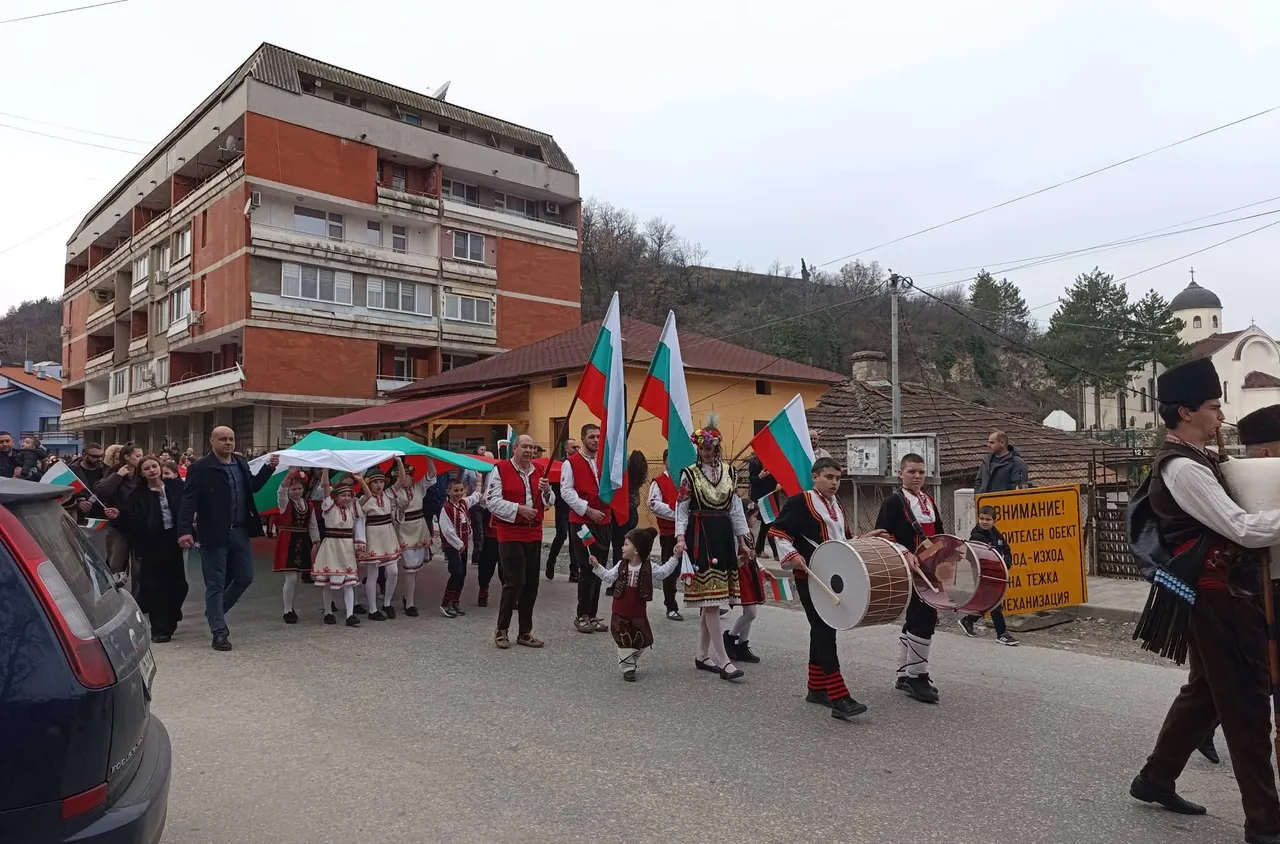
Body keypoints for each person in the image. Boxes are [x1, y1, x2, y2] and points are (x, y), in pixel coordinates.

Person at [1127, 362, 1280, 844]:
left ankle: (1155, 778)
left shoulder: (1200, 458)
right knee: (1246, 703)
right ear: (1187, 411)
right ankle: (1265, 823)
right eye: (1214, 406)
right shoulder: (1183, 467)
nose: (1221, 415)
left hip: (1224, 594)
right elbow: (1241, 528)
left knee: (1208, 693)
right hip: (1217, 599)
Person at [770, 456, 879, 720]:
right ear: (815, 477)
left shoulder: (837, 506)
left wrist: (865, 539)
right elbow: (778, 531)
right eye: (829, 477)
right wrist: (792, 555)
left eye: (838, 478)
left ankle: (816, 688)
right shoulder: (800, 502)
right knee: (823, 628)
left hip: (832, 576)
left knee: (823, 627)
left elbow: (844, 540)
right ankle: (840, 696)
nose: (834, 482)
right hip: (810, 575)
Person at [177, 426, 278, 651]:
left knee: (245, 577)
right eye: (223, 439)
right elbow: (188, 501)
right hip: (213, 533)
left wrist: (268, 469)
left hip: (240, 531)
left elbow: (252, 486)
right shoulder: (200, 468)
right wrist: (184, 530)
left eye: (231, 439)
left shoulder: (240, 463)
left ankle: (216, 610)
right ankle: (219, 631)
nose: (228, 443)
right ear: (212, 441)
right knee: (215, 582)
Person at [673, 419, 754, 682]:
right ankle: (723, 660)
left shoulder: (731, 472)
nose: (706, 452)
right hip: (700, 535)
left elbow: (736, 509)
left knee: (714, 601)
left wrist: (742, 540)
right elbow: (682, 510)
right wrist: (680, 538)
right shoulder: (689, 474)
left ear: (717, 446)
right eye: (702, 448)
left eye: (710, 447)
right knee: (710, 602)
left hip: (723, 534)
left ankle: (701, 654)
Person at [876, 452, 945, 704]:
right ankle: (918, 675)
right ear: (900, 474)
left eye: (921, 472)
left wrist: (941, 556)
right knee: (923, 617)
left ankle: (905, 673)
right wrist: (906, 554)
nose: (917, 476)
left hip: (928, 569)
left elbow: (938, 535)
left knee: (919, 616)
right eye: (911, 472)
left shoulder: (928, 500)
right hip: (906, 568)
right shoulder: (893, 503)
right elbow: (884, 535)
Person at [485, 434, 554, 649]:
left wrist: (547, 491)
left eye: (532, 447)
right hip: (510, 531)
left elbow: (549, 503)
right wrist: (518, 509)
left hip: (534, 532)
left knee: (532, 583)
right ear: (514, 448)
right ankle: (502, 629)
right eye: (524, 446)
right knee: (514, 582)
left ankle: (525, 632)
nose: (528, 451)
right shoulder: (501, 469)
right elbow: (491, 501)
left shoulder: (540, 472)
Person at [590, 526, 681, 682]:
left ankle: (629, 660)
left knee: (643, 639)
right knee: (623, 638)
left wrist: (675, 557)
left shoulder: (649, 567)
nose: (622, 547)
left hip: (638, 611)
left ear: (637, 550)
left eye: (626, 544)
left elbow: (665, 572)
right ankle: (628, 668)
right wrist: (597, 566)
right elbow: (608, 577)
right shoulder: (620, 565)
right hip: (620, 609)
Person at [114, 456, 188, 643]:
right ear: (142, 473)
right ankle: (160, 628)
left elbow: (187, 508)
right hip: (152, 545)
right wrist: (118, 516)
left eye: (154, 466)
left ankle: (173, 614)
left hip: (174, 540)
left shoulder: (175, 487)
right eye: (147, 468)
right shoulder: (137, 495)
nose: (152, 470)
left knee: (179, 585)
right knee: (156, 587)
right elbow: (131, 520)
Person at [562, 424, 613, 633]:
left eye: (599, 437)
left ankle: (592, 614)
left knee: (599, 568)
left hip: (604, 522)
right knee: (587, 567)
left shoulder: (604, 462)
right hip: (583, 523)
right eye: (591, 437)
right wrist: (588, 510)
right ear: (583, 439)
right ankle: (581, 614)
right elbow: (566, 491)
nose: (595, 440)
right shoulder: (571, 463)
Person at [958, 505, 1018, 645]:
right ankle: (1002, 633)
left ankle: (968, 620)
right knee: (995, 603)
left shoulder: (996, 533)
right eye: (982, 519)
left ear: (994, 520)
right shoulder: (977, 536)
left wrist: (1005, 564)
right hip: (983, 575)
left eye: (988, 519)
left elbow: (1006, 550)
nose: (984, 522)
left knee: (988, 602)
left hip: (996, 573)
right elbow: (975, 557)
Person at [311, 470, 362, 627]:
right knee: (328, 582)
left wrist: (360, 480)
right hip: (332, 546)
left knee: (349, 582)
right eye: (343, 495)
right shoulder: (329, 506)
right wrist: (326, 468)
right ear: (336, 496)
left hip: (346, 547)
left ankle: (350, 615)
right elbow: (326, 485)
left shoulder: (352, 508)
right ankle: (328, 612)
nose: (347, 498)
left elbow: (366, 497)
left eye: (349, 495)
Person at [352, 467, 402, 621]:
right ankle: (373, 609)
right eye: (375, 482)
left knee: (393, 571)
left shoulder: (387, 495)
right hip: (372, 536)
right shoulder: (364, 499)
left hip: (388, 534)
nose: (379, 485)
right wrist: (360, 480)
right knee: (372, 574)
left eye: (381, 481)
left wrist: (399, 461)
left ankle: (387, 603)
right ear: (369, 484)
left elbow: (400, 481)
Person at [96, 443, 144, 580]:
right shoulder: (115, 471)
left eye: (142, 456)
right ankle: (113, 596)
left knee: (139, 569)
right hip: (118, 527)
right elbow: (101, 491)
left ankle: (139, 600)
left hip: (138, 527)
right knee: (115, 566)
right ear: (127, 457)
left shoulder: (141, 474)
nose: (140, 459)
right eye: (138, 456)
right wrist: (118, 476)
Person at [273, 471, 314, 624]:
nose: (296, 491)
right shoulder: (284, 503)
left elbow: (312, 524)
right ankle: (287, 609)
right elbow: (280, 491)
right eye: (293, 489)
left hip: (303, 539)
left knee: (296, 578)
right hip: (288, 540)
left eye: (299, 489)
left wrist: (315, 542)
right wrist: (289, 476)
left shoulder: (308, 504)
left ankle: (291, 606)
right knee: (291, 578)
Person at [438, 475, 483, 617]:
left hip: (462, 546)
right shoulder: (446, 508)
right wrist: (459, 544)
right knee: (456, 572)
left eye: (460, 490)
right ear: (448, 491)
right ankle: (445, 603)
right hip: (452, 546)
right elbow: (447, 530)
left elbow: (476, 496)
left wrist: (480, 481)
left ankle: (455, 601)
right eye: (455, 490)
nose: (458, 493)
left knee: (462, 573)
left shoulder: (463, 503)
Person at [647, 449, 683, 621]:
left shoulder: (685, 480)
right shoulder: (660, 481)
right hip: (670, 533)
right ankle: (671, 605)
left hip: (689, 531)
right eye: (671, 459)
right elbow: (653, 504)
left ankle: (704, 605)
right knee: (671, 570)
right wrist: (677, 514)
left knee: (697, 568)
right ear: (665, 461)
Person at [545, 438, 581, 581]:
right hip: (562, 506)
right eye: (573, 447)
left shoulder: (580, 464)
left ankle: (574, 571)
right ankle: (551, 562)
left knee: (575, 540)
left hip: (575, 506)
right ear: (566, 448)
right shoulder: (558, 464)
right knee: (561, 535)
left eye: (578, 446)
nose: (577, 449)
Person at [610, 451, 649, 565]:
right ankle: (627, 568)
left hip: (621, 513)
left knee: (618, 546)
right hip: (633, 514)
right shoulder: (638, 475)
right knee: (628, 544)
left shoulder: (626, 474)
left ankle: (619, 570)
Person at [63, 442, 107, 524]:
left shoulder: (107, 471)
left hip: (102, 518)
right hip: (79, 519)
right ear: (84, 455)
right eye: (95, 456)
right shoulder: (70, 472)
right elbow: (62, 496)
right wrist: (77, 503)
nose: (100, 459)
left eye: (102, 456)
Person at [747, 453, 781, 559]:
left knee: (767, 525)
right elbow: (751, 479)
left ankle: (759, 550)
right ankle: (775, 553)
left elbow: (780, 475)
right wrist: (759, 477)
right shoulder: (754, 462)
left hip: (772, 496)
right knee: (769, 524)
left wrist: (780, 483)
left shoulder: (775, 460)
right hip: (761, 498)